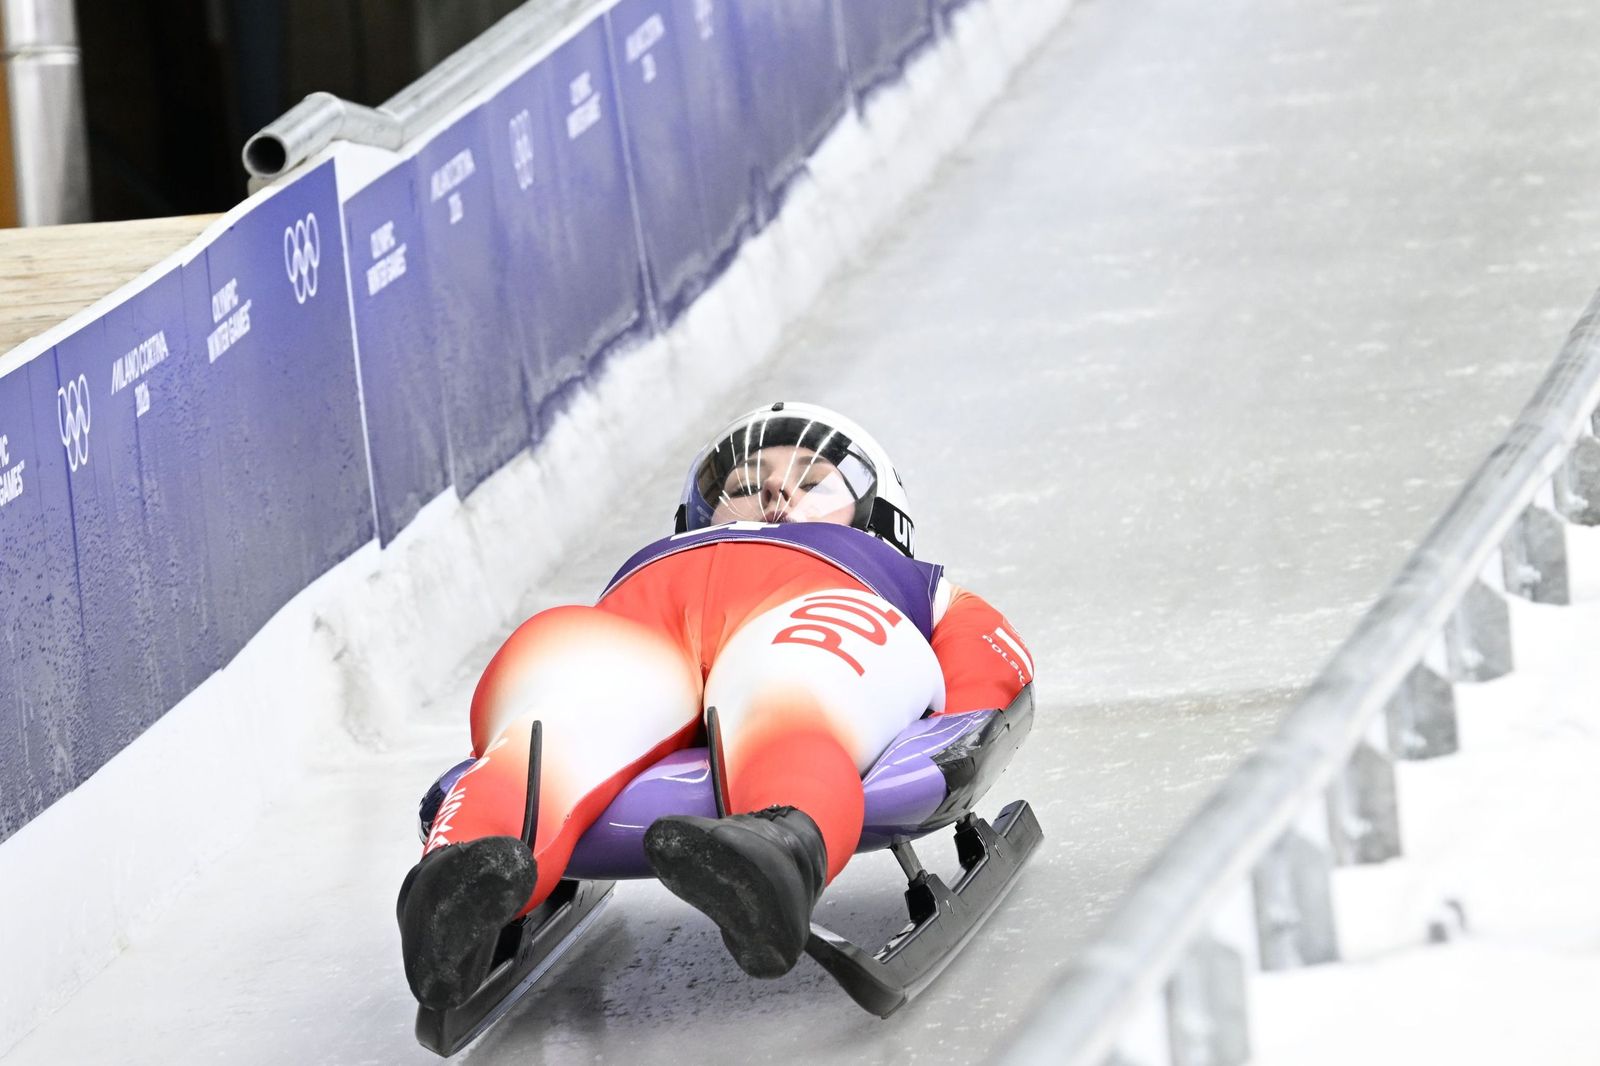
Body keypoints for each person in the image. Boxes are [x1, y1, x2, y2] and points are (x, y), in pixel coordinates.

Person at [398, 401, 1035, 1009]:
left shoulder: (904, 578)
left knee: (789, 688)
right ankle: (461, 878)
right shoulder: (657, 559)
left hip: (814, 605)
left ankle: (773, 851)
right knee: (554, 715)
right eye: (745, 481)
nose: (775, 493)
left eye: (813, 481)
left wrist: (962, 732)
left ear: (878, 516)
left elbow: (989, 650)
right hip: (642, 627)